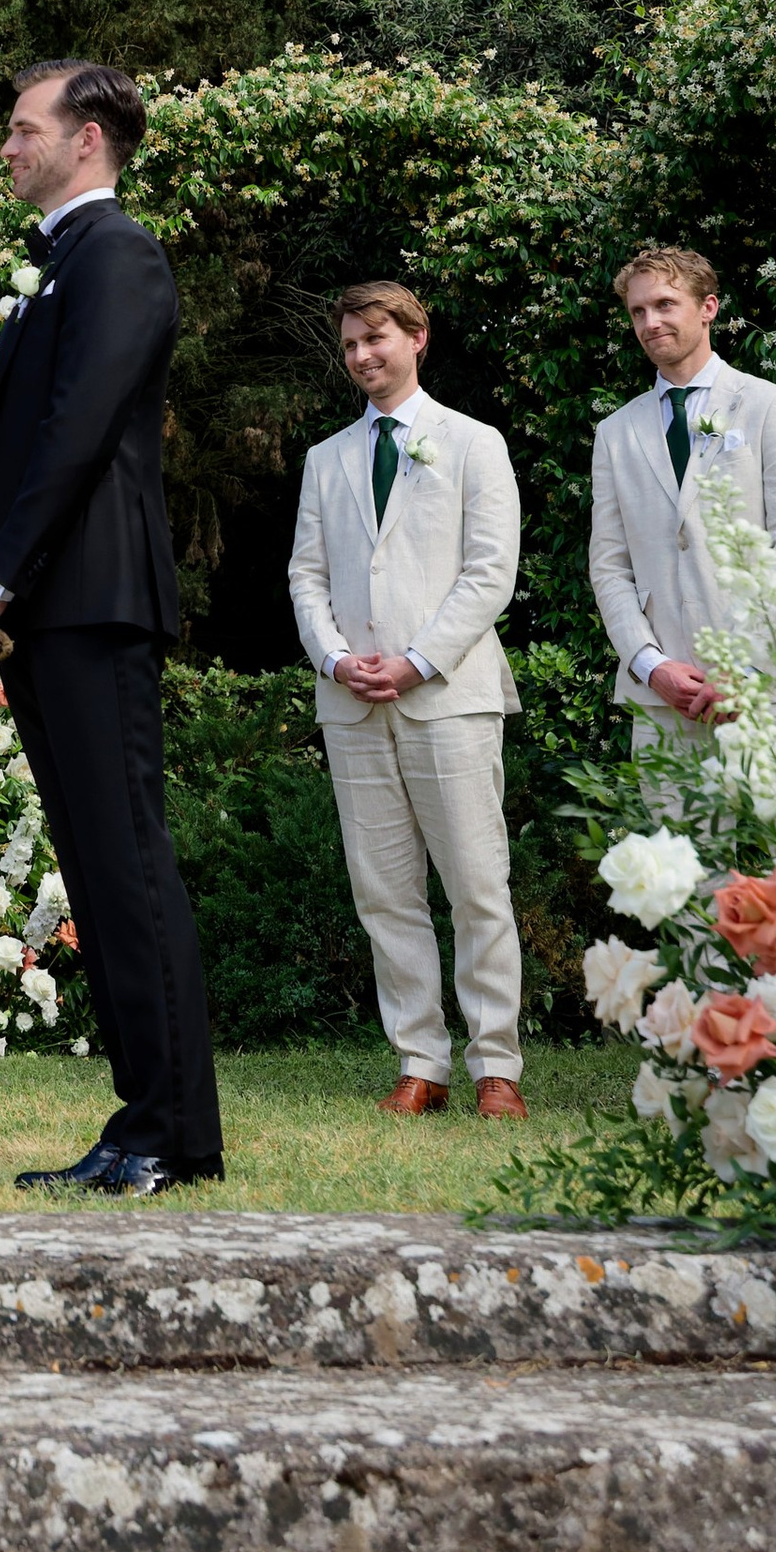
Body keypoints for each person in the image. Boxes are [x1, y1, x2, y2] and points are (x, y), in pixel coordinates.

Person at [0, 61, 222, 1196]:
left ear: (85, 138)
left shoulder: (118, 254)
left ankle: (168, 1130)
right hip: (60, 604)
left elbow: (78, 430)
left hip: (93, 599)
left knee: (126, 865)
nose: (5, 148)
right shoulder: (62, 267)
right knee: (99, 875)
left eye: (21, 129)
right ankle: (144, 1120)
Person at [287, 282, 527, 1125]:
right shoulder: (327, 458)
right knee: (384, 892)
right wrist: (336, 657)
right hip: (352, 704)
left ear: (417, 337)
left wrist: (419, 661)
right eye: (351, 344)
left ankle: (496, 1064)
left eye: (376, 339)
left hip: (449, 699)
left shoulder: (473, 444)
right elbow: (307, 575)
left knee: (475, 883)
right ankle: (420, 1062)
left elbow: (490, 573)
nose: (362, 356)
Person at [588, 242, 776, 755]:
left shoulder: (773, 408)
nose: (649, 322)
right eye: (638, 311)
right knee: (674, 839)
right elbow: (610, 567)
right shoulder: (616, 432)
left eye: (664, 305)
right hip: (666, 699)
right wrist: (651, 666)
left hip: (772, 686)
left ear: (708, 308)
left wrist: (744, 665)